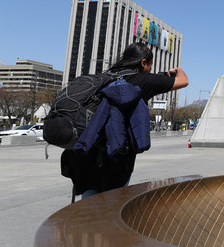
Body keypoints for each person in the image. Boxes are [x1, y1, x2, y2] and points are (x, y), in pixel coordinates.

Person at [61, 42, 189, 199]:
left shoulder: (103, 77)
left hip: (85, 153)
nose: (150, 69)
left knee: (89, 206)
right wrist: (177, 70)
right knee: (113, 205)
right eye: (150, 65)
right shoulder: (143, 80)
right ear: (143, 62)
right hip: (116, 158)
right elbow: (183, 81)